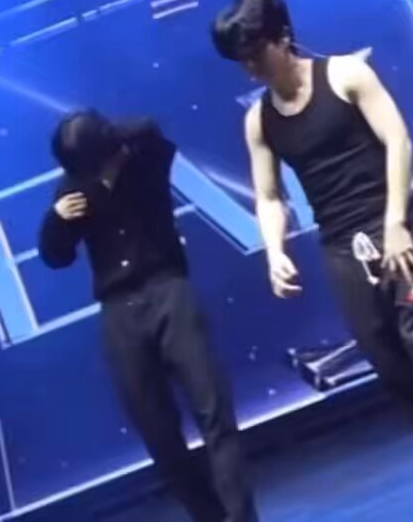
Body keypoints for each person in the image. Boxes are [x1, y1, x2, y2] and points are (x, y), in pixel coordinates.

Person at [211, 0, 413, 522]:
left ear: (281, 37)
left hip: (393, 225)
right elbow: (269, 196)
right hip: (341, 246)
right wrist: (274, 251)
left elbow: (398, 141)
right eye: (241, 60)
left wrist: (396, 221)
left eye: (255, 53)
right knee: (390, 363)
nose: (250, 67)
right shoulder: (260, 121)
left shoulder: (345, 75)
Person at [38, 110, 258, 522]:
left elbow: (149, 127)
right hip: (119, 310)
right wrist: (57, 221)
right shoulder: (73, 188)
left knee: (213, 410)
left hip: (167, 290)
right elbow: (55, 256)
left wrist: (112, 143)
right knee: (157, 432)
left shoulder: (144, 158)